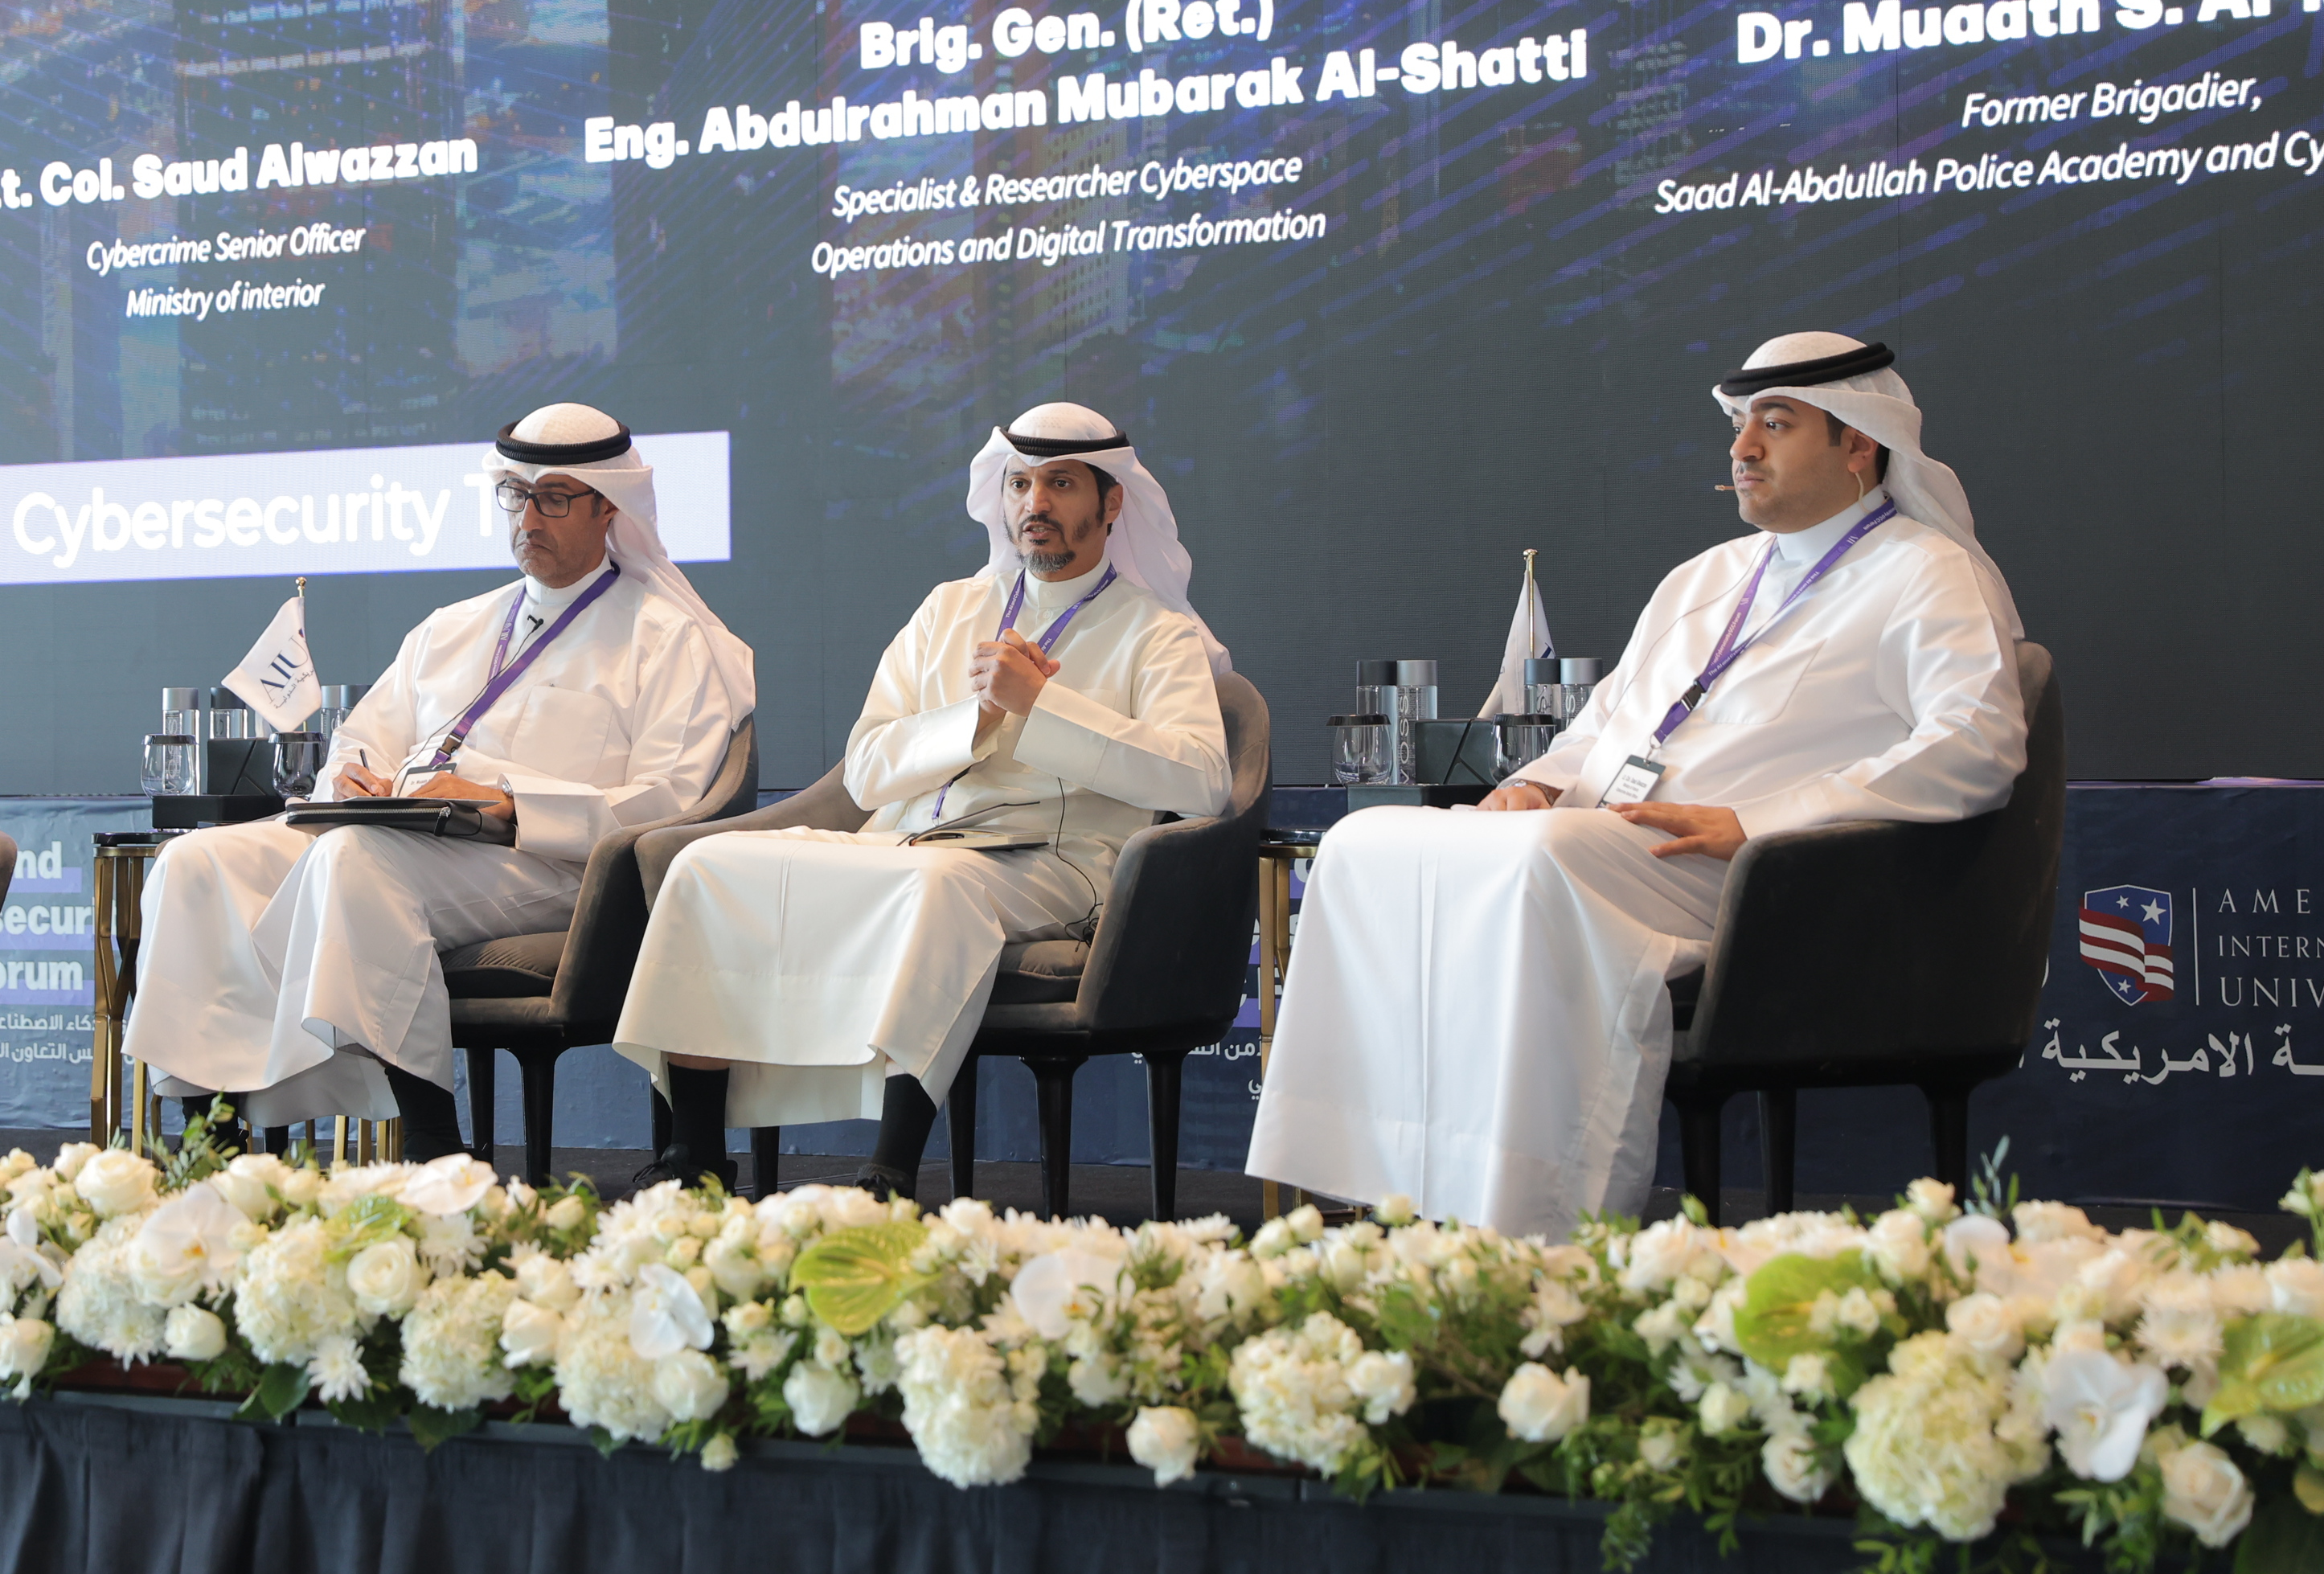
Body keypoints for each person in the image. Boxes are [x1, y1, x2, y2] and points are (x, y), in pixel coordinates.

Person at [1248, 332, 2028, 1236]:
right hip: (1615, 843)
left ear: (1859, 441)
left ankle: (1537, 1220)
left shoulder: (1927, 572)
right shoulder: (1704, 577)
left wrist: (1757, 820)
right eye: (1739, 426)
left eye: (1775, 425)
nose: (1743, 449)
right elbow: (1605, 723)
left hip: (1766, 879)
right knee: (1362, 843)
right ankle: (1381, 1193)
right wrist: (1539, 785)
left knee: (1547, 857)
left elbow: (1976, 742)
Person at [616, 402, 1232, 1197]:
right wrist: (972, 721)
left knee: (939, 887)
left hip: (1050, 861)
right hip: (899, 843)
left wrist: (1041, 708)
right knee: (709, 866)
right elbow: (867, 771)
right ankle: (695, 1159)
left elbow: (1202, 778)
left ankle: (890, 1171)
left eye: (1061, 483)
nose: (1035, 503)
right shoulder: (949, 609)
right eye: (1019, 484)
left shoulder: (1157, 631)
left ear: (1112, 502)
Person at [124, 405, 750, 1158]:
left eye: (554, 499)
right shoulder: (452, 626)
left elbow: (672, 800)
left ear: (609, 506)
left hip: (553, 865)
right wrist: (354, 780)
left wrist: (513, 804)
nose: (528, 518)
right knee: (195, 863)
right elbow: (362, 740)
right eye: (516, 495)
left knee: (356, 860)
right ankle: (214, 1146)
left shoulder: (669, 638)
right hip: (403, 836)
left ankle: (432, 1147)